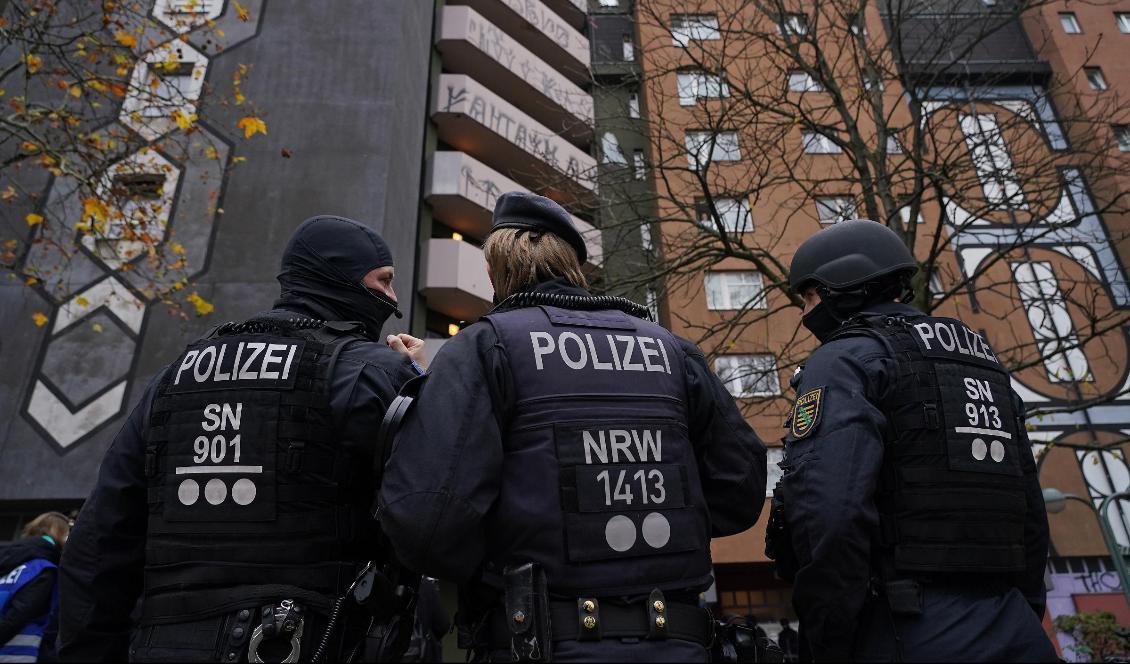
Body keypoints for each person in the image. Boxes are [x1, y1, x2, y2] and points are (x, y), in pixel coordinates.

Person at [378, 192, 768, 662]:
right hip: (681, 642)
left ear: (492, 272)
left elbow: (427, 522)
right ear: (575, 266)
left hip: (539, 641)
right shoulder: (671, 348)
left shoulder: (486, 348)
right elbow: (741, 488)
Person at [58, 215, 427, 662]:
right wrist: (413, 380)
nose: (390, 298)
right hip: (307, 642)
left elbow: (101, 539)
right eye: (383, 281)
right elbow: (429, 513)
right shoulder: (371, 373)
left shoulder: (174, 377)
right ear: (339, 277)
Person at [768, 219, 1056, 661]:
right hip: (1015, 627)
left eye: (808, 296)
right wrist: (1024, 610)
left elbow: (832, 512)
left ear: (844, 287)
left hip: (907, 627)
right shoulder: (984, 364)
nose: (804, 313)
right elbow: (1031, 514)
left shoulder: (844, 358)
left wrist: (828, 639)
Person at [1, 512, 71, 663]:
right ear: (60, 534)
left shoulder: (9, 560)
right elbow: (20, 613)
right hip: (18, 654)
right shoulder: (44, 568)